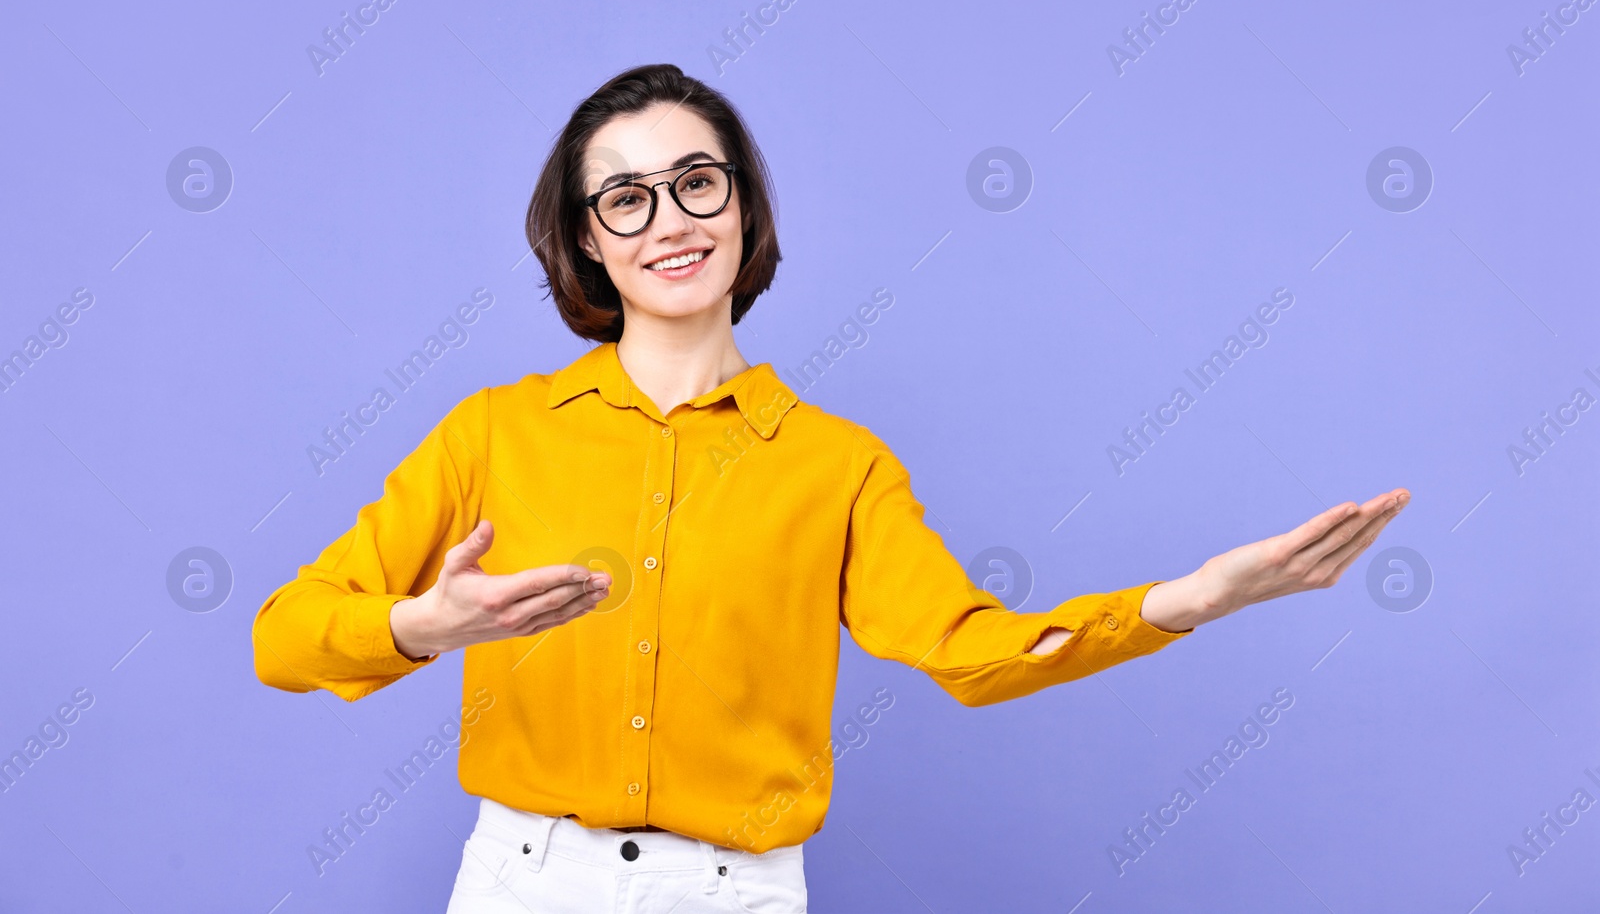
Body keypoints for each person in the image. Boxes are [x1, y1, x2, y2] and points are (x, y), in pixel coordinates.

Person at [251, 63, 1409, 913]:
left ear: (743, 204)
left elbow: (973, 650)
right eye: (626, 197)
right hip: (522, 882)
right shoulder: (492, 431)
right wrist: (419, 625)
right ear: (586, 241)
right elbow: (282, 638)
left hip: (735, 893)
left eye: (696, 181)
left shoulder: (839, 464)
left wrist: (1189, 598)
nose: (669, 220)